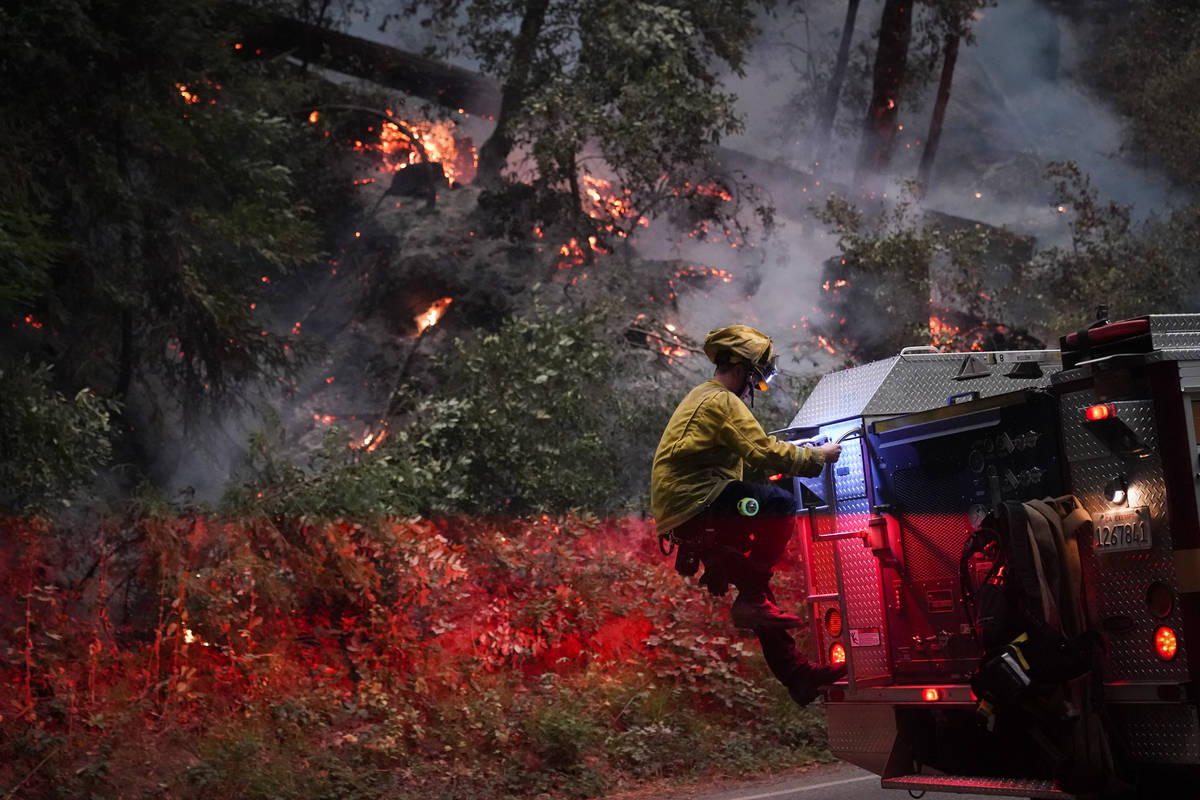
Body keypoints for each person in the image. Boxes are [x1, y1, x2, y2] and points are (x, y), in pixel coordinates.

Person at [650, 324, 846, 704]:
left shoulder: (704, 399)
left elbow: (753, 452)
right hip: (700, 505)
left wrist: (799, 447)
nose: (754, 389)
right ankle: (751, 596)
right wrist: (815, 458)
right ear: (740, 370)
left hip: (693, 510)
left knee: (760, 601)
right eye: (755, 380)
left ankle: (799, 676)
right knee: (779, 505)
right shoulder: (721, 402)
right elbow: (762, 453)